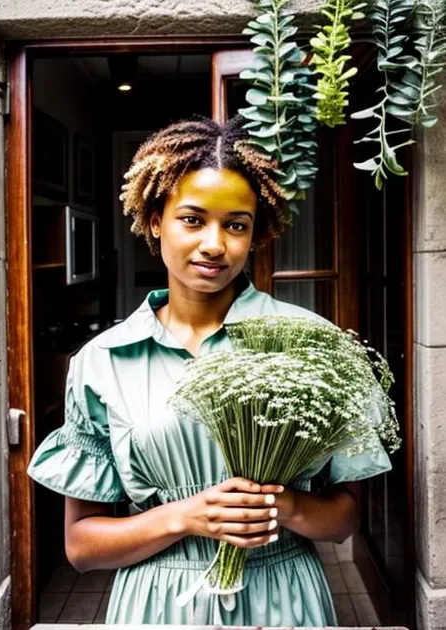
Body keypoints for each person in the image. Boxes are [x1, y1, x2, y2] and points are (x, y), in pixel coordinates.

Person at [28, 116, 392, 626]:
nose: (215, 244)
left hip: (283, 600)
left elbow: (343, 521)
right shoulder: (101, 361)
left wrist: (282, 506)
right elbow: (83, 547)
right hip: (156, 606)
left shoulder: (314, 342)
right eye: (193, 219)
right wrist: (185, 516)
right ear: (156, 220)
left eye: (236, 224)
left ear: (254, 233)